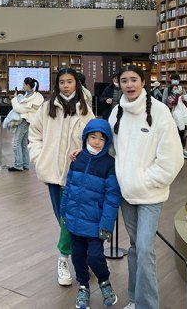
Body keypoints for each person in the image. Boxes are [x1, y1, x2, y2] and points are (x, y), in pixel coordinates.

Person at [109, 65, 184, 309]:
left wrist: (146, 180)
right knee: (134, 247)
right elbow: (111, 149)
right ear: (118, 83)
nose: (129, 85)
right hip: (126, 194)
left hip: (151, 194)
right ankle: (134, 299)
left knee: (144, 249)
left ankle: (148, 305)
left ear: (143, 82)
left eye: (133, 80)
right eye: (124, 80)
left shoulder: (160, 112)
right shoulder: (117, 112)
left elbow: (173, 158)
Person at [28, 68, 94, 287]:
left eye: (70, 81)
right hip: (52, 173)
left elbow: (94, 138)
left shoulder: (85, 109)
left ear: (77, 83)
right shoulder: (47, 108)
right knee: (63, 217)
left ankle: (64, 258)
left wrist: (85, 156)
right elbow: (34, 135)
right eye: (62, 82)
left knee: (69, 218)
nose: (66, 86)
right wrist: (39, 158)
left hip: (77, 174)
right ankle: (81, 257)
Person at [61, 119, 121, 308]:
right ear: (86, 137)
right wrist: (64, 211)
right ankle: (83, 288)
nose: (96, 141)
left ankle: (104, 282)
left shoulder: (109, 165)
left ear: (107, 141)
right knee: (78, 256)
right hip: (74, 220)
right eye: (93, 137)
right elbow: (69, 186)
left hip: (95, 223)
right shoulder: (77, 159)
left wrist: (106, 225)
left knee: (94, 256)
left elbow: (112, 198)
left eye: (101, 139)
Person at [8, 77, 44, 172]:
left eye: (24, 84)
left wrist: (15, 99)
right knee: (23, 143)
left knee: (16, 143)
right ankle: (25, 164)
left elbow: (18, 109)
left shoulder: (29, 98)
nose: (23, 87)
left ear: (28, 85)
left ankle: (18, 165)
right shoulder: (35, 96)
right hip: (29, 121)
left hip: (24, 121)